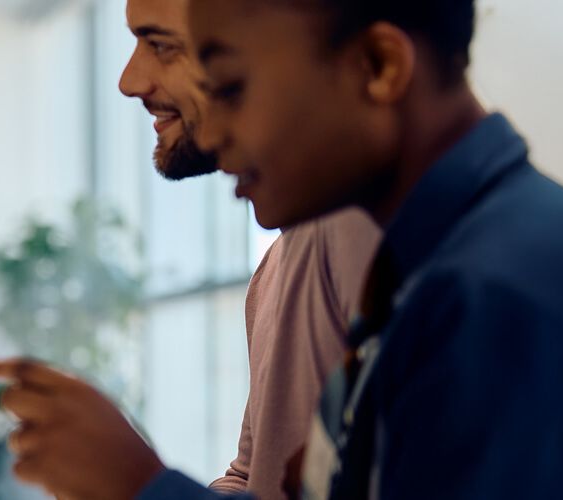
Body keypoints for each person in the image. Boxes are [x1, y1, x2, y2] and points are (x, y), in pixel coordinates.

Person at [0, 0, 563, 498]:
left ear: (380, 67)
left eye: (232, 87)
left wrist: (143, 488)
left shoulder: (496, 301)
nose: (213, 132)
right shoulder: (436, 273)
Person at [115, 0, 379, 498]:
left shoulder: (367, 230)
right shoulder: (280, 259)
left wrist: (138, 486)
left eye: (163, 45)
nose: (131, 80)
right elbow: (256, 480)